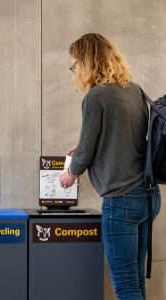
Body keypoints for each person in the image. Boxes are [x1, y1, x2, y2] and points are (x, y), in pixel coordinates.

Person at [59, 33, 161, 300]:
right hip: (148, 197)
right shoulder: (134, 90)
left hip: (121, 200)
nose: (75, 70)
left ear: (88, 62)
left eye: (76, 64)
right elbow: (124, 139)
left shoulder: (96, 97)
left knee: (125, 287)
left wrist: (70, 174)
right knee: (136, 281)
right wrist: (80, 147)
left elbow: (86, 154)